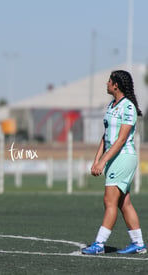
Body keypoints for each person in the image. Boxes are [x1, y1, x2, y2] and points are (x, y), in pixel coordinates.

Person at [81, 70, 146, 255]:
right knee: (124, 203)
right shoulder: (111, 105)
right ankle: (138, 243)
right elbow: (106, 135)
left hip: (123, 157)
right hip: (114, 158)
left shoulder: (128, 107)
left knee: (109, 201)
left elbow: (121, 139)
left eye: (109, 81)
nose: (107, 83)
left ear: (116, 84)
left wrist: (103, 162)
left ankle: (99, 244)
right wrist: (96, 160)